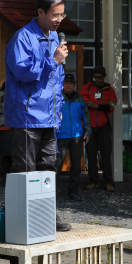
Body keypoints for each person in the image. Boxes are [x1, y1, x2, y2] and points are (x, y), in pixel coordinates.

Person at [4, 0, 71, 232]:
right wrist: (53, 60)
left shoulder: (55, 39)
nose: (59, 20)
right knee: (25, 169)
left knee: (48, 167)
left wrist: (59, 107)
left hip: (49, 117)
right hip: (27, 116)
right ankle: (20, 216)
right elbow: (23, 72)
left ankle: (46, 215)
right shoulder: (22, 38)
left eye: (62, 15)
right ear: (40, 12)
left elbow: (58, 80)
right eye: (55, 15)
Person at [56, 73, 92, 201]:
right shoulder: (58, 97)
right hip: (61, 135)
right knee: (57, 164)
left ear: (74, 84)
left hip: (77, 136)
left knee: (76, 165)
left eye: (71, 83)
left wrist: (88, 132)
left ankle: (73, 191)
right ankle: (52, 192)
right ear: (62, 84)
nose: (68, 85)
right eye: (66, 83)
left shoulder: (79, 99)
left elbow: (86, 116)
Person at [81, 66, 117, 192]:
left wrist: (95, 105)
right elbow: (83, 103)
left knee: (106, 155)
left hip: (104, 126)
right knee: (91, 155)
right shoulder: (87, 88)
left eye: (100, 77)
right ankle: (93, 181)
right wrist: (95, 105)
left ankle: (108, 182)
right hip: (90, 127)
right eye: (95, 77)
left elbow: (111, 106)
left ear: (104, 77)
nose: (97, 79)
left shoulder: (110, 90)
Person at [0, 80, 12, 183]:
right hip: (18, 129)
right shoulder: (19, 94)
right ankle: (13, 177)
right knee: (14, 155)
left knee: (6, 155)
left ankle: (6, 178)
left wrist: (0, 123)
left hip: (5, 129)